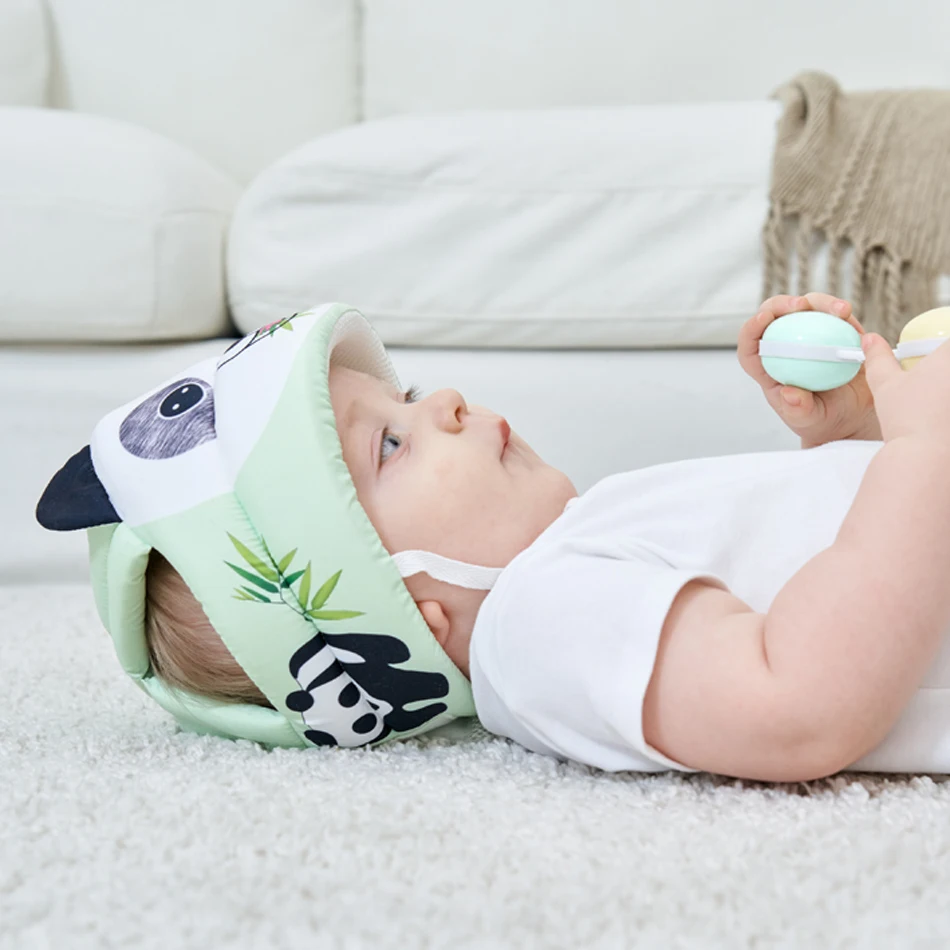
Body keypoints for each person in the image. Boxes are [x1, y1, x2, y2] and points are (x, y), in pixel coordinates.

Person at [35, 294, 950, 780]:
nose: (444, 401)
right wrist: (917, 457)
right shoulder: (536, 624)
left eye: (405, 395)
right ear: (413, 617)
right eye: (391, 442)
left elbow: (835, 556)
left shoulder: (582, 549)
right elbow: (797, 705)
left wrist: (849, 435)